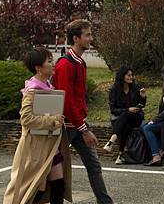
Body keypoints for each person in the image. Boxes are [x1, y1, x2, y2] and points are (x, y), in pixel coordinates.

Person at [53, 19, 114, 204]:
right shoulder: (66, 64)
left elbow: (78, 99)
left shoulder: (80, 63)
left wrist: (83, 125)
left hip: (78, 124)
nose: (90, 38)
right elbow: (67, 101)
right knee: (57, 171)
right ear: (76, 38)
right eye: (87, 35)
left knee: (94, 165)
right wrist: (84, 129)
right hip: (66, 126)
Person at [4, 47, 72, 204]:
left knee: (58, 185)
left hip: (50, 147)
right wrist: (53, 120)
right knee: (35, 190)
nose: (53, 64)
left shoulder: (47, 86)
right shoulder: (32, 90)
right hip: (35, 149)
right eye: (49, 61)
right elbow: (26, 119)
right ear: (38, 67)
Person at [104, 65, 147, 164]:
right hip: (121, 119)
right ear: (122, 76)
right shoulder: (114, 90)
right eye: (128, 75)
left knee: (128, 114)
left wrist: (143, 97)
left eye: (132, 75)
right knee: (126, 126)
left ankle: (112, 139)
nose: (131, 77)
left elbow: (141, 105)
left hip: (136, 117)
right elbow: (113, 110)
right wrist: (127, 110)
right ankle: (120, 154)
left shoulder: (136, 87)